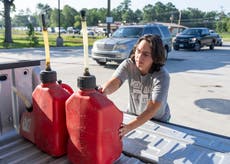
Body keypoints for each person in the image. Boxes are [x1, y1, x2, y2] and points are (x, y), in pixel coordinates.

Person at [100, 34, 171, 138]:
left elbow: (152, 109)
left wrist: (128, 127)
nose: (139, 57)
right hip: (133, 115)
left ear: (155, 57)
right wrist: (103, 91)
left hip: (158, 121)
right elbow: (115, 82)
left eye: (145, 54)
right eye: (138, 51)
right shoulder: (128, 65)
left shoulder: (162, 76)